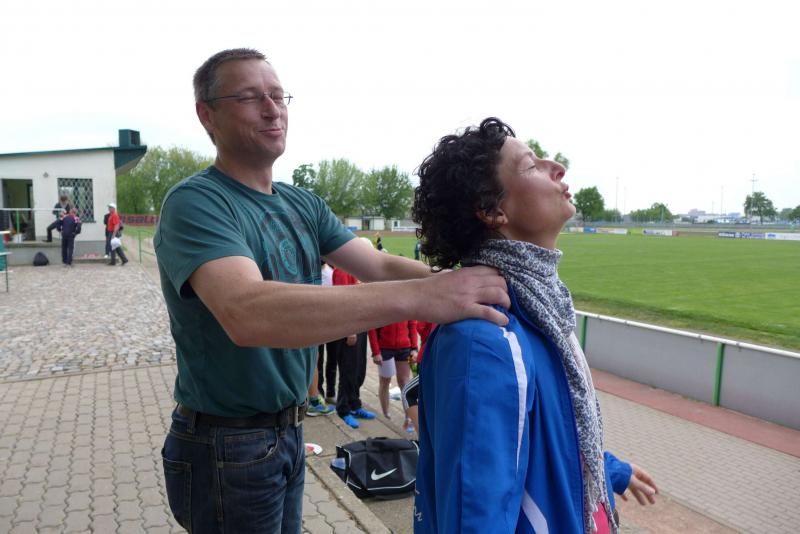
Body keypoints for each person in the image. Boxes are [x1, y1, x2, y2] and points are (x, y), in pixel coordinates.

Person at [155, 48, 509, 534]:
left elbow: (378, 264)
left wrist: (460, 282)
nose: (272, 109)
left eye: (278, 95)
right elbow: (247, 312)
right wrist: (424, 297)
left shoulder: (302, 204)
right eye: (250, 97)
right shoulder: (197, 203)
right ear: (207, 115)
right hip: (226, 444)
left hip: (286, 432)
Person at [411, 118, 657, 534]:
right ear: (493, 211)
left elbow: (548, 435)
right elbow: (477, 518)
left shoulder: (540, 308)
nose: (556, 167)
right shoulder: (484, 337)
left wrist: (609, 469)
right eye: (531, 165)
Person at [329, 262, 375, 428]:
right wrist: (350, 330)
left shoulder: (357, 270)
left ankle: (355, 404)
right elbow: (343, 302)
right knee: (348, 370)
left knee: (358, 369)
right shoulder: (342, 270)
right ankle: (343, 409)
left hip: (360, 325)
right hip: (350, 328)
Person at [369, 319, 418, 431]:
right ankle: (386, 416)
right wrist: (376, 352)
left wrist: (414, 348)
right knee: (385, 382)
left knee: (404, 382)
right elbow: (372, 328)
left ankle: (409, 418)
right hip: (385, 348)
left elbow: (412, 323)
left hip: (405, 347)